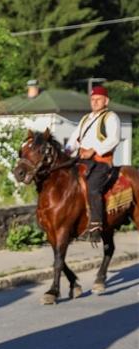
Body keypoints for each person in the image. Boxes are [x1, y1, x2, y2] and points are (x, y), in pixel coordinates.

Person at [65, 85, 121, 243]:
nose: (95, 102)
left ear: (106, 101)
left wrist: (94, 150)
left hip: (101, 162)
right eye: (92, 100)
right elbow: (74, 139)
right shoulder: (85, 119)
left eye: (98, 99)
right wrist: (67, 152)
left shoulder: (111, 117)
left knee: (93, 187)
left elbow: (113, 139)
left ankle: (96, 225)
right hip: (82, 160)